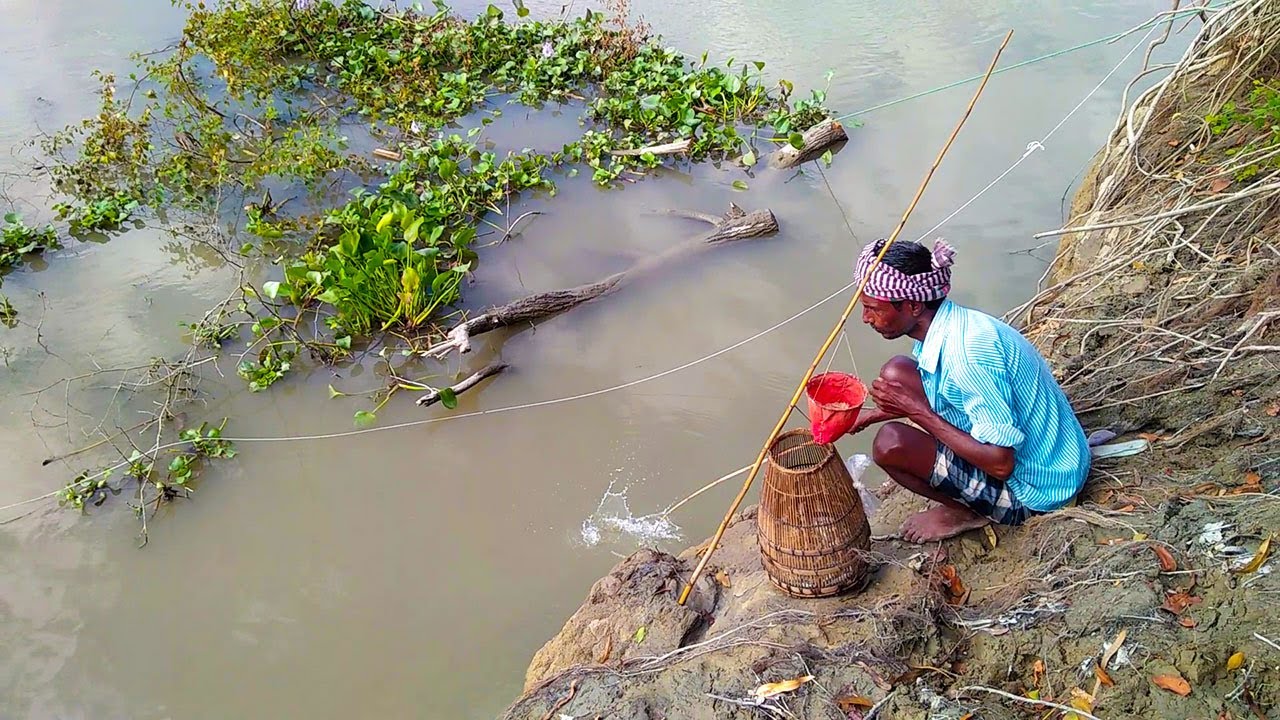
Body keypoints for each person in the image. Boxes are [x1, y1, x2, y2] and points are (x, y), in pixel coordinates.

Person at [846, 238, 1090, 542]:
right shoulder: (953, 324)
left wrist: (916, 412)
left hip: (1038, 489)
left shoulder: (967, 357)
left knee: (890, 444)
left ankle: (967, 512)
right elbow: (947, 390)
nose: (866, 318)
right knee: (897, 372)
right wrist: (874, 414)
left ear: (913, 305)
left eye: (872, 309)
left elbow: (1001, 463)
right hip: (1059, 456)